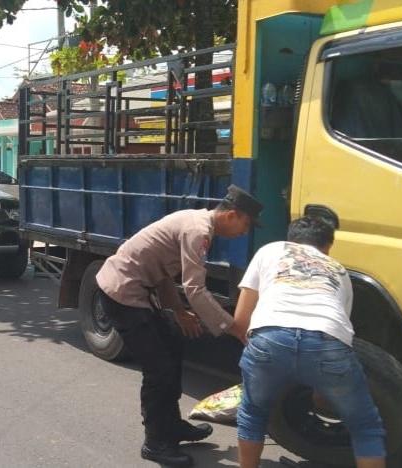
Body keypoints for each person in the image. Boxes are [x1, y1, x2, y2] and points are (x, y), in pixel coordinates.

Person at [96, 185, 263, 467]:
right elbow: (195, 289)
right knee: (158, 369)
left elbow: (163, 271)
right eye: (246, 225)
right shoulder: (198, 231)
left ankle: (171, 425)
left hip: (138, 290)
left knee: (173, 346)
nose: (244, 232)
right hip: (122, 293)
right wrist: (234, 328)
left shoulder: (197, 221)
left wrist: (178, 311)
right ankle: (155, 442)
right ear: (232, 215)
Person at [232, 212, 386, 468]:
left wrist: (260, 356)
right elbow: (338, 332)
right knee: (365, 426)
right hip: (327, 340)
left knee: (253, 414)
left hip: (270, 335)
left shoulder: (270, 250)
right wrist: (321, 389)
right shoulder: (339, 270)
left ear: (291, 238)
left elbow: (241, 319)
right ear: (328, 246)